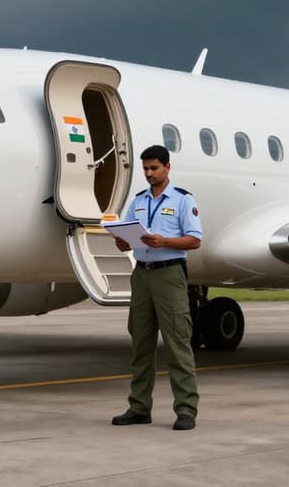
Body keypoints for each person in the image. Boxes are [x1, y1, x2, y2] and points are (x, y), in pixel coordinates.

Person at [111, 145, 202, 431]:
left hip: (169, 274)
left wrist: (164, 242)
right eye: (146, 169)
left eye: (154, 168)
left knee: (177, 343)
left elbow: (195, 240)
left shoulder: (183, 200)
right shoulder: (137, 200)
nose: (149, 174)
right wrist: (123, 241)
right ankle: (139, 407)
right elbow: (126, 233)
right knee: (141, 343)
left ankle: (186, 410)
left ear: (167, 168)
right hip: (141, 275)